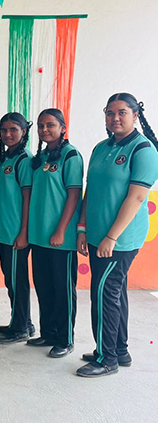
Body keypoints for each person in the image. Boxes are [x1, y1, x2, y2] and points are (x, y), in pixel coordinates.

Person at [76, 94, 158, 377]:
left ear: (135, 115)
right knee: (114, 292)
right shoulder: (101, 148)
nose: (115, 118)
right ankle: (118, 350)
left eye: (122, 112)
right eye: (110, 113)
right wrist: (83, 228)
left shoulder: (143, 150)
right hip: (97, 234)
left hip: (119, 239)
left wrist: (111, 237)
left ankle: (106, 358)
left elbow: (136, 198)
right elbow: (90, 190)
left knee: (103, 294)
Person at [27, 108, 83, 358]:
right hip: (39, 236)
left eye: (50, 125)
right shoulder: (41, 158)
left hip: (61, 239)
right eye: (41, 126)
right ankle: (48, 333)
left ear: (62, 128)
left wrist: (61, 230)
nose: (44, 130)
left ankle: (65, 338)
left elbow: (74, 195)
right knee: (44, 287)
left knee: (63, 290)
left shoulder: (71, 156)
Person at [0, 113, 35, 344]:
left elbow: (28, 197)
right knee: (11, 280)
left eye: (13, 130)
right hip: (4, 231)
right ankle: (23, 322)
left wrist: (23, 232)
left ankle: (20, 329)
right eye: (4, 130)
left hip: (16, 233)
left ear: (24, 131)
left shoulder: (24, 159)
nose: (8, 134)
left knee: (18, 282)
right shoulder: (7, 158)